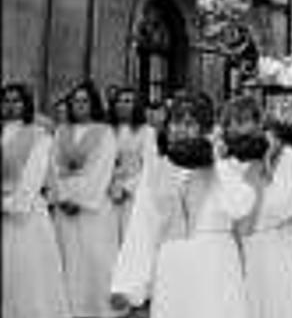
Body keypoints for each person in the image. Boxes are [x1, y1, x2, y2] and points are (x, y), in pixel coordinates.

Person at [110, 91, 255, 318]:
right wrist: (128, 286)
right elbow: (142, 228)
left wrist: (216, 161)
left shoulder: (225, 166)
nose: (180, 130)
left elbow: (241, 206)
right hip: (173, 267)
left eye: (189, 123)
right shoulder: (157, 169)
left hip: (214, 264)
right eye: (175, 122)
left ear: (206, 129)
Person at [219, 96, 292, 318]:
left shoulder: (284, 157)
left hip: (276, 249)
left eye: (242, 121)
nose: (235, 128)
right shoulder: (224, 161)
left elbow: (284, 205)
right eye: (229, 122)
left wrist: (265, 164)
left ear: (260, 124)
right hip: (237, 251)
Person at [51, 80, 122, 318]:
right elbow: (52, 168)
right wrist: (61, 197)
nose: (79, 105)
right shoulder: (61, 131)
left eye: (84, 101)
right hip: (64, 207)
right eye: (75, 101)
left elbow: (102, 170)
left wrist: (81, 200)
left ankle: (99, 309)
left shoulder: (105, 132)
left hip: (93, 209)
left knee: (96, 259)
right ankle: (71, 308)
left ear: (92, 104)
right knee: (68, 257)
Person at [2, 83, 71, 318]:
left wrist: (10, 205)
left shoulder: (39, 136)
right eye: (6, 100)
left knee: (26, 278)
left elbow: (33, 179)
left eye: (16, 100)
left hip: (25, 217)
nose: (11, 106)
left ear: (26, 104)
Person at [108, 87, 159, 241]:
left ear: (136, 105)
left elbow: (150, 167)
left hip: (132, 196)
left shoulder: (147, 132)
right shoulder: (107, 131)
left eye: (128, 101)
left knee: (130, 239)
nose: (122, 105)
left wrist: (127, 188)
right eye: (119, 101)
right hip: (107, 194)